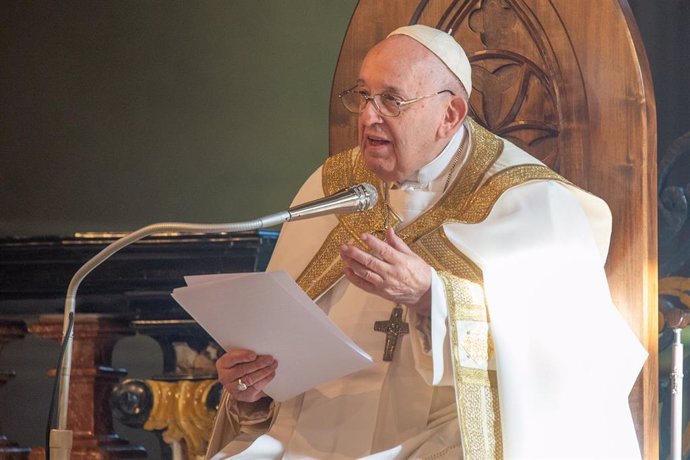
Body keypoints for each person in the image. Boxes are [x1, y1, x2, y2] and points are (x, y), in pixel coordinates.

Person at [205, 25, 647, 459]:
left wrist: (430, 297)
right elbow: (277, 364)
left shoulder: (530, 204)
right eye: (363, 96)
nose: (367, 117)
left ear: (450, 115)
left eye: (391, 100)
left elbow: (567, 368)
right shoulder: (333, 186)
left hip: (435, 443)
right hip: (305, 441)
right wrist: (253, 389)